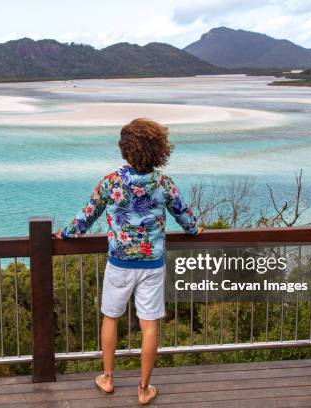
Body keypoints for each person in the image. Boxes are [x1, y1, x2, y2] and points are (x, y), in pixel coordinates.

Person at [54, 118, 201, 405]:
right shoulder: (163, 184)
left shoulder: (111, 183)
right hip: (152, 265)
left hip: (119, 263)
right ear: (160, 150)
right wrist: (195, 230)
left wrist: (66, 233)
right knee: (150, 326)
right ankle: (144, 388)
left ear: (125, 149)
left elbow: (86, 217)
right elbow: (184, 217)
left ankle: (107, 378)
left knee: (111, 317)